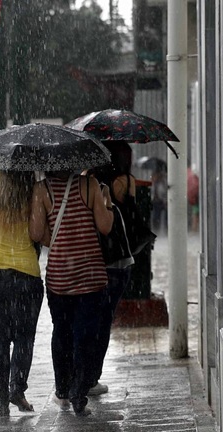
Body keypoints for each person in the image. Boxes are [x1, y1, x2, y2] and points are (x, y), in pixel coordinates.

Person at [29, 170, 113, 417]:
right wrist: (106, 201)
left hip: (59, 277)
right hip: (90, 274)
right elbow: (105, 226)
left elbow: (36, 233)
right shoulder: (90, 185)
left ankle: (63, 389)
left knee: (62, 332)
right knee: (86, 335)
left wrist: (58, 240)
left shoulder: (41, 189)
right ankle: (79, 391)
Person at [0, 171, 44, 417]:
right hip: (25, 276)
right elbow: (37, 234)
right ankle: (17, 389)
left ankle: (1, 401)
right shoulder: (33, 193)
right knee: (24, 339)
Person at [89, 141, 137, 396]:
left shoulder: (92, 183)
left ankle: (84, 373)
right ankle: (93, 374)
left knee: (90, 319)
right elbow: (131, 216)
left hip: (95, 258)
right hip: (120, 258)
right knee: (104, 321)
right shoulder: (126, 181)